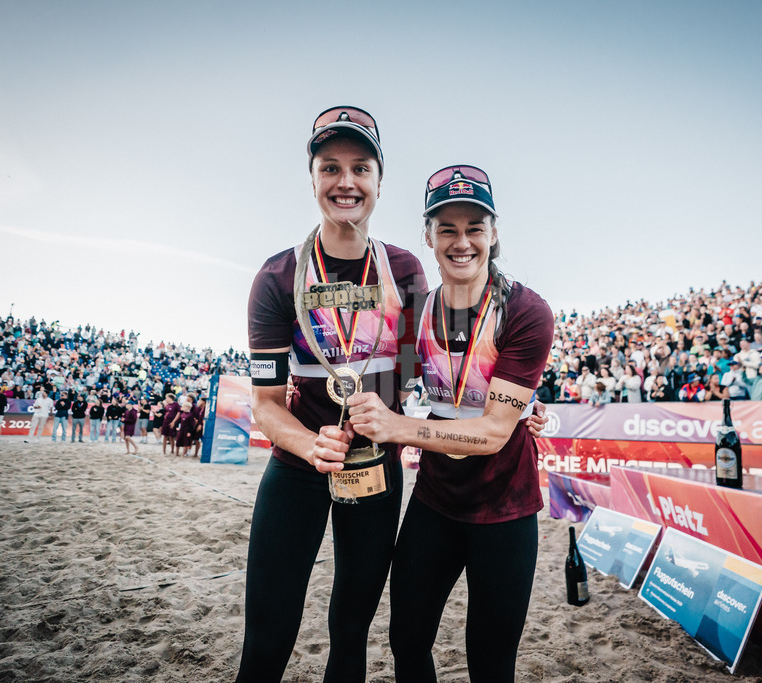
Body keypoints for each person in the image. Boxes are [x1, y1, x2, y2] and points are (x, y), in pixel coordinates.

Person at [235, 105, 428, 683]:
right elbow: (266, 405)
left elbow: (423, 377)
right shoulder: (277, 276)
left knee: (351, 631)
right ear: (313, 179)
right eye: (331, 168)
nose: (346, 182)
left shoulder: (405, 269)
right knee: (267, 632)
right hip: (298, 465)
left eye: (360, 168)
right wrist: (307, 444)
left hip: (374, 467)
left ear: (378, 181)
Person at [346, 162, 554, 683]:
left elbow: (491, 433)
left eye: (474, 228)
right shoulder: (414, 312)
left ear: (494, 233)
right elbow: (402, 392)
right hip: (436, 501)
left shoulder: (527, 312)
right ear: (429, 236)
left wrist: (399, 428)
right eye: (448, 229)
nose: (462, 242)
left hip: (505, 507)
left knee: (490, 661)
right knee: (406, 641)